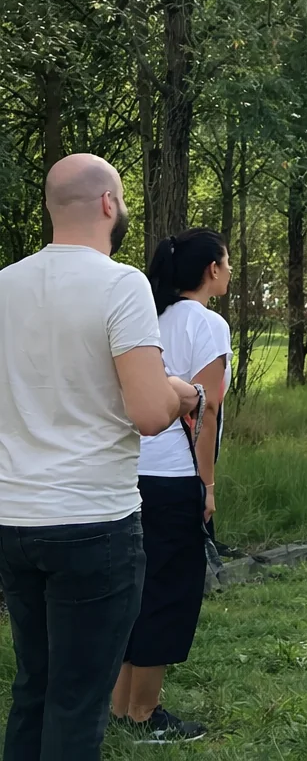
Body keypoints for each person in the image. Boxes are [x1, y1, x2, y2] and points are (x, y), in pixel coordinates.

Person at [0, 154, 200, 761]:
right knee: (78, 699)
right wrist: (182, 391)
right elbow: (147, 411)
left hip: (14, 517)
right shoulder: (121, 283)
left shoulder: (5, 284)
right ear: (110, 204)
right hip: (93, 521)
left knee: (33, 685)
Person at [112, 228, 232, 743]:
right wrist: (206, 485)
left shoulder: (146, 319)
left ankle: (119, 705)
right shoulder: (208, 325)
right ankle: (144, 714)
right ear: (211, 270)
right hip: (175, 476)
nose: (229, 271)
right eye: (226, 263)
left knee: (133, 591)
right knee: (169, 593)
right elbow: (203, 415)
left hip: (129, 473)